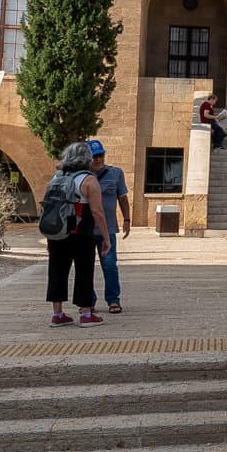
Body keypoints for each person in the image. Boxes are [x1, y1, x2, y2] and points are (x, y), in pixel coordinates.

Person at [46, 142, 111, 327]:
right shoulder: (88, 180)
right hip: (81, 232)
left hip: (58, 232)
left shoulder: (56, 177)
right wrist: (106, 238)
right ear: (87, 158)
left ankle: (57, 314)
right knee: (84, 270)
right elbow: (97, 212)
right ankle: (85, 312)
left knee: (57, 270)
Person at [91, 140, 131, 314]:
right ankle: (88, 301)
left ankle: (113, 300)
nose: (98, 159)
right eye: (94, 156)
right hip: (86, 229)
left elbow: (122, 198)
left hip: (108, 229)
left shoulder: (115, 173)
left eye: (100, 155)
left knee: (109, 265)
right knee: (86, 267)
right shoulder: (82, 176)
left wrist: (127, 219)